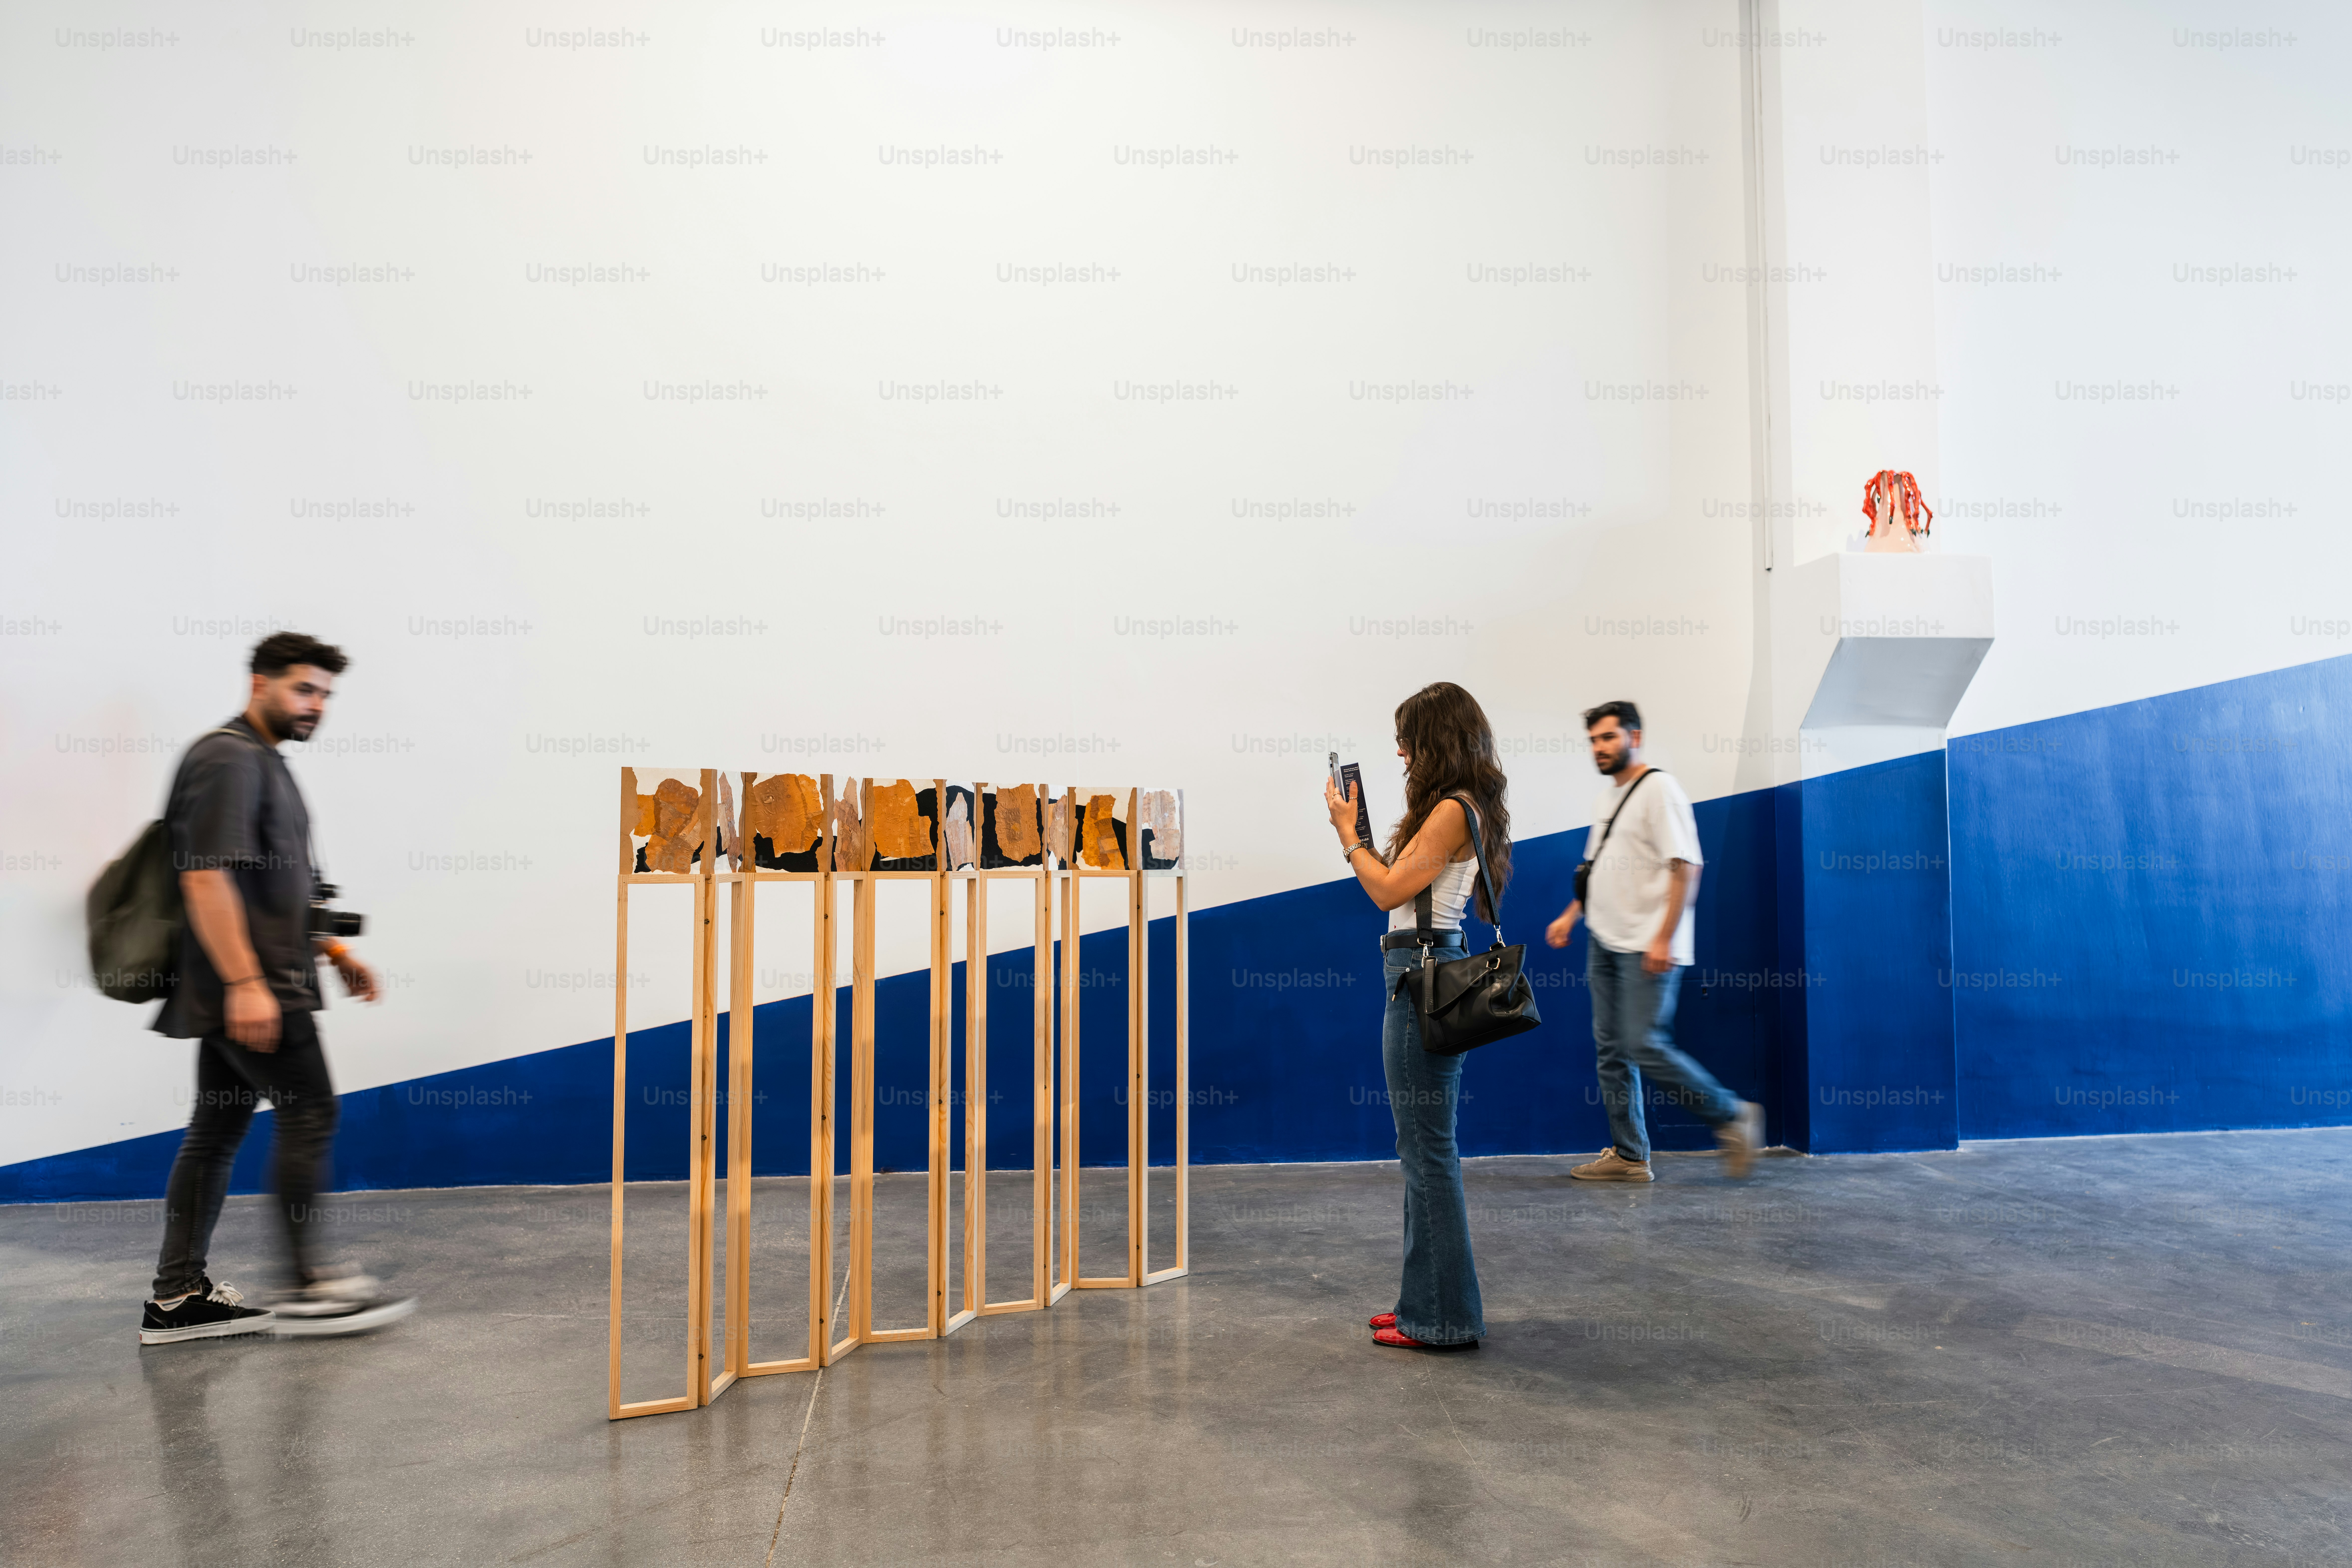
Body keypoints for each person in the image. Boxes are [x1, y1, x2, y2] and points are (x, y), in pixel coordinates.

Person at [140, 633, 414, 1344]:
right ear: (261, 682)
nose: (316, 704)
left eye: (324, 694)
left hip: (254, 982)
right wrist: (245, 983)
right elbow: (205, 877)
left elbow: (279, 884)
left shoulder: (264, 761)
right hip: (252, 987)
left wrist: (334, 950)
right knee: (310, 1112)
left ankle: (177, 1298)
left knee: (215, 1131)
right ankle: (309, 1287)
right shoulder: (228, 757)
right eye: (303, 689)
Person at [1323, 681, 1512, 1351]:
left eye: (1407, 740)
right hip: (1421, 967)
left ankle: (1444, 1318)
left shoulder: (1453, 810)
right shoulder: (1455, 806)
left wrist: (1346, 836)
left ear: (1436, 739)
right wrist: (1363, 836)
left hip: (1420, 975)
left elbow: (1385, 891)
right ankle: (1423, 1303)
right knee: (1424, 1148)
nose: (1401, 752)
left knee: (1427, 1151)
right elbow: (1402, 887)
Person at [1546, 701, 1761, 1183]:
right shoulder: (1608, 798)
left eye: (1609, 737)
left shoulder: (1660, 790)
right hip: (1604, 939)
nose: (1600, 748)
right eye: (1594, 741)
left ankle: (1732, 1116)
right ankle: (1630, 1156)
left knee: (1643, 1043)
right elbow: (1595, 871)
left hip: (1647, 945)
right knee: (1611, 1051)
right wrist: (1570, 916)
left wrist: (1664, 938)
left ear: (1635, 738)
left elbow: (1686, 867)